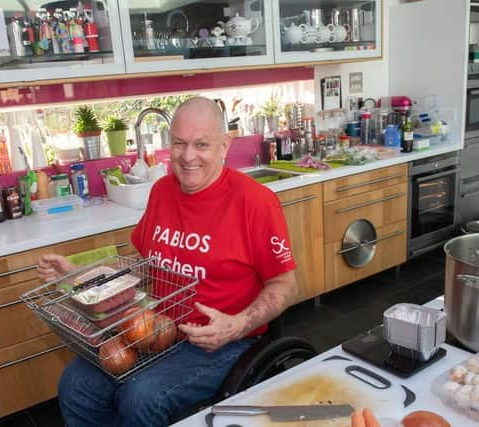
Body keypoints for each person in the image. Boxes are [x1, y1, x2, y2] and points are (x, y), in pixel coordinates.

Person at [37, 96, 298, 426]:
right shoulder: (162, 191)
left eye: (201, 144)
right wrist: (81, 274)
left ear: (224, 144)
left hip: (223, 344)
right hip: (156, 331)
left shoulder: (256, 203)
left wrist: (236, 326)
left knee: (140, 397)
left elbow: (286, 284)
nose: (188, 156)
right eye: (179, 143)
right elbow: (139, 265)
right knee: (75, 384)